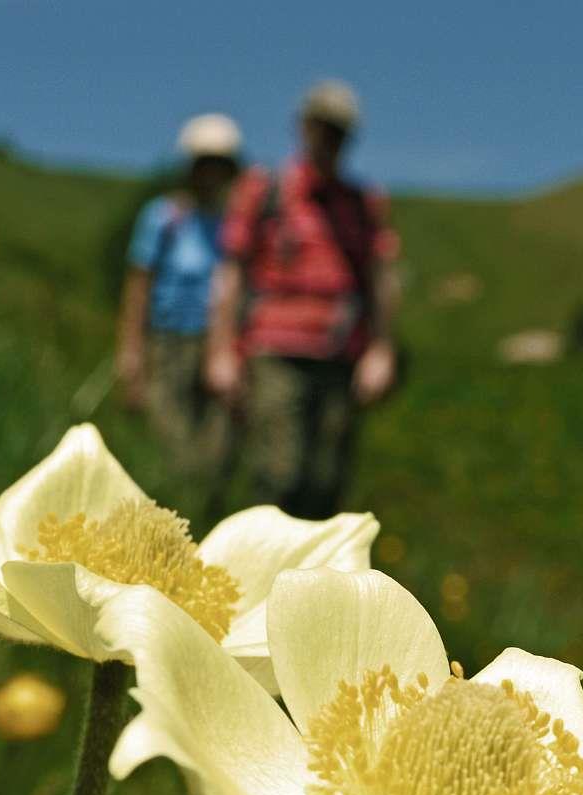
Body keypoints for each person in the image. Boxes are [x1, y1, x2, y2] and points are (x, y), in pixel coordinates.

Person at [206, 78, 401, 519]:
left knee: (327, 482)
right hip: (275, 351)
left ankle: (317, 581)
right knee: (279, 473)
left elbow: (380, 278)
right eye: (322, 127)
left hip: (340, 356)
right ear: (303, 127)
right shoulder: (265, 190)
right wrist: (221, 350)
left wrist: (381, 349)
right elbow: (232, 271)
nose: (329, 140)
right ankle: (267, 577)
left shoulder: (363, 203)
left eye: (339, 132)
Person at [115, 114, 243, 499]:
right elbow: (138, 287)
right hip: (168, 343)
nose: (212, 175)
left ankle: (202, 507)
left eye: (220, 166)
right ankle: (173, 504)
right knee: (170, 442)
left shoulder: (234, 224)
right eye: (205, 164)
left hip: (218, 344)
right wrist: (131, 353)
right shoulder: (163, 218)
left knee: (217, 446)